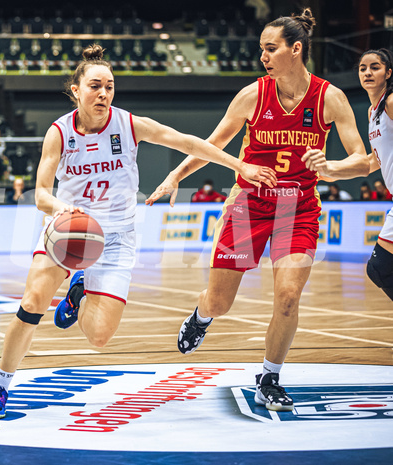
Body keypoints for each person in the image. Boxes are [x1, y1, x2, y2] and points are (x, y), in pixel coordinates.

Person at [0, 44, 278, 419]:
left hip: (116, 237)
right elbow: (39, 194)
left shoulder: (129, 124)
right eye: (95, 87)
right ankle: (0, 386)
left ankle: (80, 290)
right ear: (76, 90)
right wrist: (59, 207)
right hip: (70, 229)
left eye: (110, 86)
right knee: (33, 303)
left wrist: (240, 165)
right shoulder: (59, 133)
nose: (103, 94)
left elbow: (187, 141)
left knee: (100, 337)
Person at [146, 8, 369, 412]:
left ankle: (269, 376)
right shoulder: (253, 95)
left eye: (271, 48)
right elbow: (213, 144)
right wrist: (177, 174)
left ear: (295, 49)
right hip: (248, 205)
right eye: (261, 49)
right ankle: (201, 316)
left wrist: (333, 167)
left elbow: (362, 158)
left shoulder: (329, 98)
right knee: (219, 302)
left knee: (287, 296)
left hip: (298, 208)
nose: (263, 57)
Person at [358, 49, 393, 301]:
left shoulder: (391, 102)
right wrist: (329, 171)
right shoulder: (373, 112)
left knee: (379, 268)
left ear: (388, 73)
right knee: (380, 269)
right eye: (362, 68)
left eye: (375, 67)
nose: (368, 72)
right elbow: (373, 160)